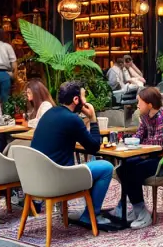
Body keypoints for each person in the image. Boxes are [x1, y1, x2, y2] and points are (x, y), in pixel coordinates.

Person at [30, 81, 113, 226]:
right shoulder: (72, 119)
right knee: (106, 168)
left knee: (90, 167)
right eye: (84, 97)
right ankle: (90, 215)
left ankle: (90, 210)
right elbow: (94, 147)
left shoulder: (49, 113)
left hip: (36, 180)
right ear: (76, 100)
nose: (85, 101)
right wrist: (93, 118)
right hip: (59, 180)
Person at [114, 87, 163, 228]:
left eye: (139, 103)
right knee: (123, 167)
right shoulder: (145, 116)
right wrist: (131, 142)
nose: (137, 106)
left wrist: (141, 144)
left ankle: (143, 215)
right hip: (150, 156)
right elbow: (138, 136)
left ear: (150, 104)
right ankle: (135, 208)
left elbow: (160, 143)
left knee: (134, 170)